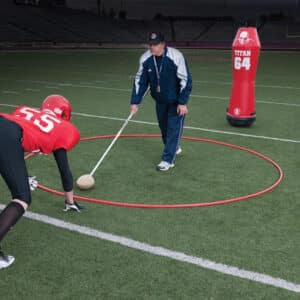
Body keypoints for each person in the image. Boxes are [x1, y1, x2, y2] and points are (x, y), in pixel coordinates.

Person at [0, 94, 84, 269]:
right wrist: (70, 201)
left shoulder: (25, 110)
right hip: (7, 136)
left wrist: (23, 176)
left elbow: (14, 139)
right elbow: (64, 171)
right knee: (22, 198)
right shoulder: (65, 129)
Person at [130, 32, 192, 171]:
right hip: (160, 100)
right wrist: (135, 102)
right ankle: (174, 147)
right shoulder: (145, 59)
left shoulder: (176, 56)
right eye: (150, 44)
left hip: (176, 101)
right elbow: (140, 81)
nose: (152, 47)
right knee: (163, 128)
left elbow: (186, 80)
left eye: (155, 44)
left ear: (163, 44)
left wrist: (182, 102)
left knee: (172, 129)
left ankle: (167, 160)